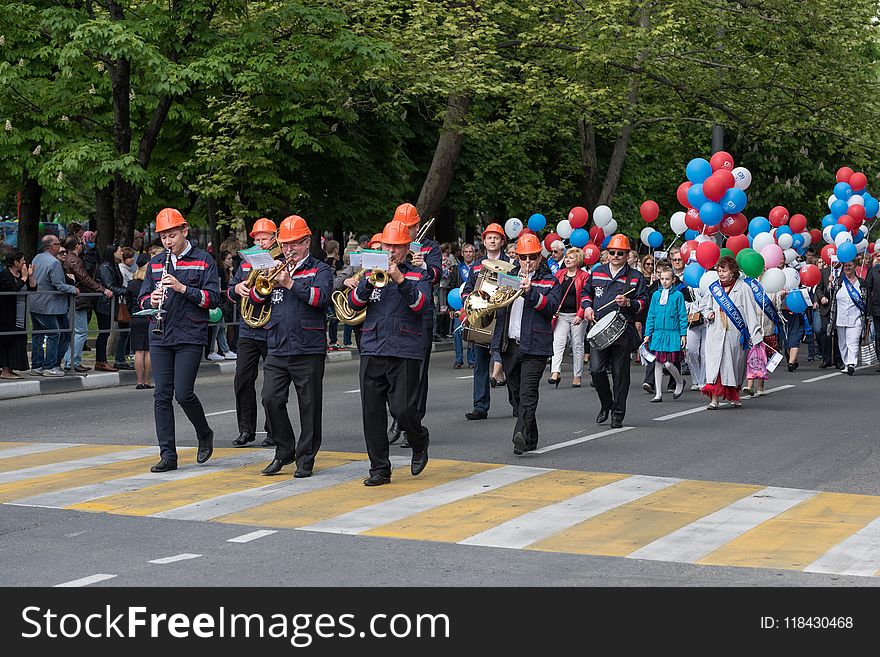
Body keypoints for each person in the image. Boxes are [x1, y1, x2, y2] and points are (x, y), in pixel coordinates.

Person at [347, 219, 432, 485]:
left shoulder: (419, 274)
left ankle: (420, 440)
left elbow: (421, 306)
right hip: (373, 346)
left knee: (403, 410)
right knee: (372, 412)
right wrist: (367, 283)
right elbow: (354, 303)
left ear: (407, 248)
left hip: (405, 348)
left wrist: (400, 279)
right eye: (388, 246)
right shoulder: (370, 272)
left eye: (397, 246)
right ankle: (379, 469)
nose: (392, 251)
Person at [138, 208, 220, 473]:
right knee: (161, 395)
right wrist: (151, 300)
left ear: (184, 231)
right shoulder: (156, 263)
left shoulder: (204, 260)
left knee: (183, 393)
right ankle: (168, 455)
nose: (168, 242)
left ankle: (204, 432)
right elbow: (141, 298)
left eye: (172, 235)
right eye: (163, 237)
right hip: (160, 333)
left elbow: (212, 299)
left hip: (190, 334)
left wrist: (183, 289)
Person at [253, 216, 333, 478]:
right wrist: (262, 284)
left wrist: (289, 283)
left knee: (309, 406)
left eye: (294, 244)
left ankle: (306, 458)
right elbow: (256, 301)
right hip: (277, 345)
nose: (288, 250)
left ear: (307, 242)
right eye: (285, 244)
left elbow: (320, 298)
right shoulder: (274, 268)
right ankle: (284, 448)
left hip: (308, 347)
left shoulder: (320, 269)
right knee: (270, 399)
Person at [492, 232, 562, 454]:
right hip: (510, 344)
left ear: (540, 257)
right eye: (524, 257)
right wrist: (496, 347)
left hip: (536, 345)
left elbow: (551, 307)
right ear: (518, 258)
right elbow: (500, 312)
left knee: (528, 393)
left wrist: (530, 292)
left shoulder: (550, 280)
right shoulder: (509, 276)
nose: (528, 262)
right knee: (515, 396)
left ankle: (519, 436)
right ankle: (531, 437)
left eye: (532, 257)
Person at [387, 203, 441, 448]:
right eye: (402, 227)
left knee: (417, 372)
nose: (406, 231)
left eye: (410, 228)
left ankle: (413, 424)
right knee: (389, 369)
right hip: (392, 311)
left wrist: (424, 266)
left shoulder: (430, 247)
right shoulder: (390, 245)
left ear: (418, 226)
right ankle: (397, 416)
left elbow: (439, 276)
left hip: (420, 313)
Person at [580, 234, 648, 428]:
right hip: (599, 327)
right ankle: (606, 403)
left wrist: (629, 302)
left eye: (620, 253)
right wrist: (587, 308)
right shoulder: (597, 272)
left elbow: (644, 301)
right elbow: (586, 293)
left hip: (622, 330)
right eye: (612, 252)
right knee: (595, 370)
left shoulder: (635, 277)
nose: (616, 255)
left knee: (620, 374)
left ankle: (617, 414)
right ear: (607, 253)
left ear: (627, 255)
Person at [226, 218, 278, 448]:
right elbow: (230, 293)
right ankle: (246, 429)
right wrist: (237, 289)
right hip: (248, 329)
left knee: (272, 386)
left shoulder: (281, 259)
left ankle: (274, 431)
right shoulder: (246, 262)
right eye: (256, 239)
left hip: (272, 328)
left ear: (274, 238)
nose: (260, 243)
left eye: (264, 239)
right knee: (243, 380)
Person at [461, 223, 510, 420]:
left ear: (502, 241)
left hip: (503, 319)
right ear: (484, 241)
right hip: (482, 320)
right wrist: (468, 301)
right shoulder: (476, 265)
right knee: (481, 363)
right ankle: (480, 406)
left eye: (496, 238)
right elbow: (467, 289)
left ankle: (517, 403)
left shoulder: (511, 264)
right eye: (489, 237)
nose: (492, 240)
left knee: (509, 361)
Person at [701, 256, 763, 409]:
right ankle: (714, 399)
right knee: (715, 367)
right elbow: (704, 305)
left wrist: (756, 335)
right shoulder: (714, 287)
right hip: (715, 332)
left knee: (733, 366)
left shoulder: (743, 287)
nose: (721, 274)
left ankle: (733, 395)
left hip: (734, 334)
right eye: (719, 271)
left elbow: (750, 311)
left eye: (724, 271)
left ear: (733, 271)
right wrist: (708, 313)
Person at [61, 236, 114, 373]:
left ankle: (69, 361)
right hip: (79, 300)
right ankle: (74, 361)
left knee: (75, 332)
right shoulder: (75, 260)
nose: (82, 245)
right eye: (80, 243)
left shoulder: (68, 258)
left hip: (74, 299)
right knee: (81, 332)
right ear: (77, 246)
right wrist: (103, 289)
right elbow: (85, 279)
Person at [29, 236, 78, 377]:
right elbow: (59, 285)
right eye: (57, 244)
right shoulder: (54, 263)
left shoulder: (37, 258)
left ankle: (37, 365)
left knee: (38, 334)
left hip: (35, 303)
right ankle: (50, 366)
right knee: (56, 333)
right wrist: (74, 289)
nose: (59, 246)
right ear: (52, 246)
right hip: (50, 305)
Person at [642, 267, 687, 402]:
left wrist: (683, 334)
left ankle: (679, 382)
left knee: (668, 363)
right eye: (662, 279)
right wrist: (648, 333)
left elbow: (682, 315)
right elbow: (651, 315)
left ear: (673, 280)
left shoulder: (678, 295)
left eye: (667, 279)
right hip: (658, 333)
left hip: (672, 333)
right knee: (657, 363)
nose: (664, 282)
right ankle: (658, 393)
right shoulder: (656, 295)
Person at [549, 247, 589, 388]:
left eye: (571, 258)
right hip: (561, 315)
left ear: (578, 260)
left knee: (577, 345)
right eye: (566, 257)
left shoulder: (584, 276)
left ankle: (577, 375)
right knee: (558, 343)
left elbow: (587, 296)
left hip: (577, 316)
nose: (567, 260)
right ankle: (555, 372)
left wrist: (580, 314)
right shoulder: (559, 274)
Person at [0, 249, 36, 379]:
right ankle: (4, 369)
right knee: (7, 341)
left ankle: (11, 368)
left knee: (18, 341)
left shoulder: (22, 275)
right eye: (22, 261)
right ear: (15, 262)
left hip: (21, 315)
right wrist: (24, 277)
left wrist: (30, 276)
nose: (25, 262)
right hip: (6, 315)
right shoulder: (4, 275)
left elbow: (33, 288)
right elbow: (12, 290)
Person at [95, 244, 129, 372]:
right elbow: (109, 285)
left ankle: (102, 360)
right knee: (103, 332)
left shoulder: (113, 266)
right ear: (112, 252)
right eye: (120, 251)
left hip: (111, 303)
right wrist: (126, 291)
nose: (122, 253)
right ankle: (101, 361)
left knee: (106, 332)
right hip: (104, 303)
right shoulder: (105, 267)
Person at [834, 259, 867, 375]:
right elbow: (830, 295)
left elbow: (866, 300)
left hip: (856, 317)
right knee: (842, 343)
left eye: (850, 265)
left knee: (852, 341)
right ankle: (847, 363)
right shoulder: (838, 282)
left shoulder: (862, 283)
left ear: (855, 267)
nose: (848, 268)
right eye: (846, 266)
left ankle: (851, 363)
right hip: (840, 318)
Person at [127, 256, 153, 389]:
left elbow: (128, 303)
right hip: (149, 317)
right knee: (148, 351)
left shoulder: (132, 283)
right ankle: (147, 381)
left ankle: (138, 381)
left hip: (136, 317)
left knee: (138, 351)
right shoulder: (151, 283)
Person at [207, 250, 237, 362]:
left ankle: (225, 350)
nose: (231, 261)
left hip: (221, 301)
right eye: (229, 258)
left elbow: (230, 283)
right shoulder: (218, 270)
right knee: (217, 326)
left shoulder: (226, 271)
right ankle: (215, 351)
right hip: (218, 301)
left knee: (220, 326)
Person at [452, 242, 477, 369]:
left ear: (474, 253)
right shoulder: (457, 268)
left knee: (471, 331)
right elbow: (452, 287)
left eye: (470, 252)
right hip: (458, 305)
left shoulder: (478, 268)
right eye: (466, 252)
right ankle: (458, 359)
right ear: (462, 253)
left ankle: (472, 360)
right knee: (457, 331)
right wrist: (451, 308)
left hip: (473, 304)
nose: (468, 254)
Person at [864, 251, 880, 372]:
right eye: (878, 256)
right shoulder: (873, 271)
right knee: (878, 335)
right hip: (877, 308)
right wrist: (868, 309)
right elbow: (868, 290)